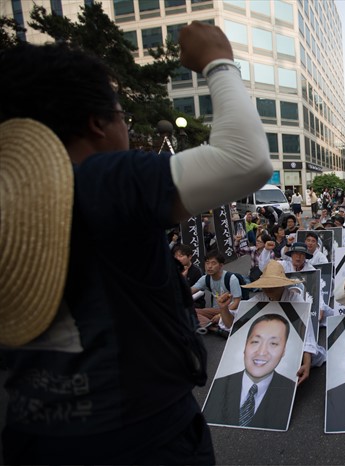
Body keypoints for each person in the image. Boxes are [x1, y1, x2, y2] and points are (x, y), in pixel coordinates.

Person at [0, 21, 272, 464]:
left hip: (32, 436)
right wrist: (217, 61)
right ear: (97, 124)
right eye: (121, 116)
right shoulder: (100, 179)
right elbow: (247, 160)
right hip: (138, 437)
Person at [202, 313, 296, 430]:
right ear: (245, 345)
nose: (262, 352)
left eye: (273, 343)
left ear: (284, 351)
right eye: (255, 341)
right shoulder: (220, 384)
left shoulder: (290, 389)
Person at [191, 250, 243, 334]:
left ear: (221, 265)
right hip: (217, 309)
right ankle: (214, 327)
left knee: (194, 319)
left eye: (213, 263)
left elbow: (237, 302)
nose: (209, 266)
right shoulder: (205, 278)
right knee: (192, 312)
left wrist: (221, 315)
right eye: (207, 263)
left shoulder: (231, 279)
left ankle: (212, 325)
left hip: (232, 310)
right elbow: (190, 291)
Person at [173, 243, 205, 308]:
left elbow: (200, 292)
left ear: (190, 257)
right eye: (176, 257)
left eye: (181, 256)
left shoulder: (197, 271)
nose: (178, 259)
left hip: (195, 303)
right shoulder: (173, 270)